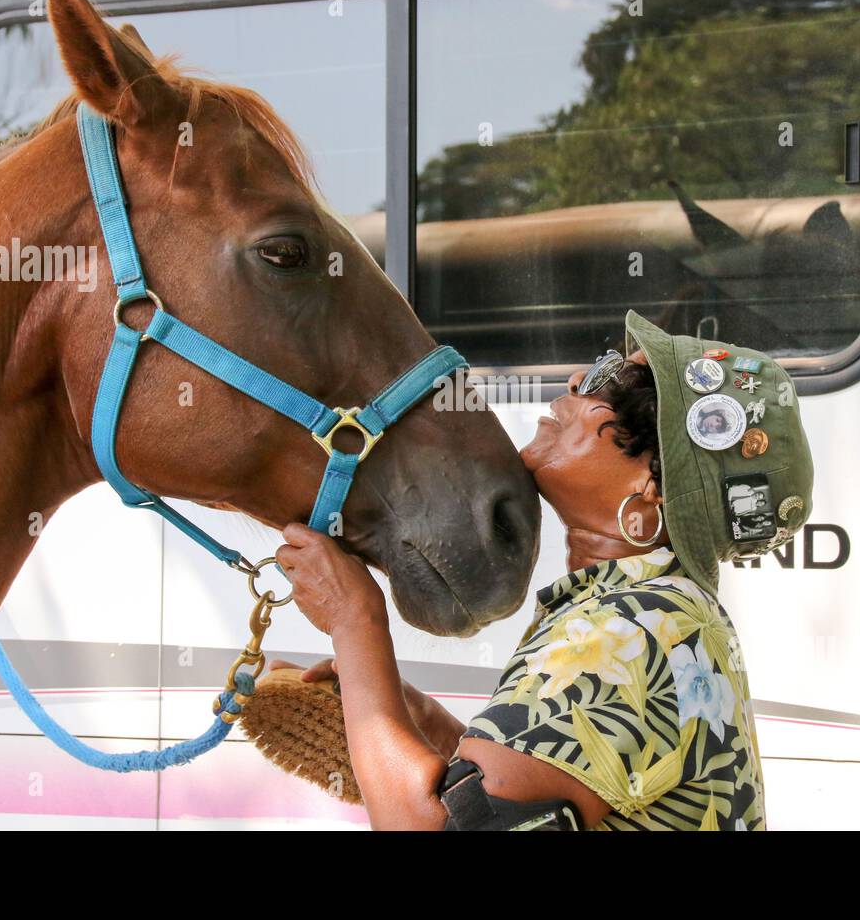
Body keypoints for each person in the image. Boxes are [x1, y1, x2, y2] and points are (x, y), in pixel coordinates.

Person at [272, 311, 813, 830]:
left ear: (653, 487)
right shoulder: (662, 615)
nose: (579, 380)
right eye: (601, 364)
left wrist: (355, 621)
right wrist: (420, 719)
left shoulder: (627, 629)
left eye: (613, 383)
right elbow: (519, 811)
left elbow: (431, 827)